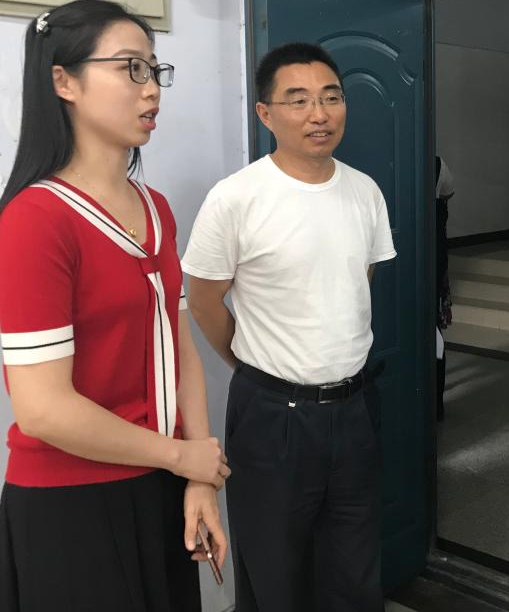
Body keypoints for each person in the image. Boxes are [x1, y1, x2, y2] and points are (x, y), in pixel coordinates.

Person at [0, 0, 230, 612]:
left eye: (155, 69)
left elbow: (179, 347)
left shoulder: (156, 209)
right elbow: (43, 409)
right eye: (130, 68)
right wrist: (183, 456)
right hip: (73, 502)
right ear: (63, 81)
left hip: (161, 481)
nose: (152, 89)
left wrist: (198, 475)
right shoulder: (36, 220)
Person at [182, 42, 396, 611]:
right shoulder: (236, 198)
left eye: (331, 98)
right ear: (265, 113)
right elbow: (203, 302)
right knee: (274, 575)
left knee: (354, 569)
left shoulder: (364, 191)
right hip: (272, 416)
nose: (318, 114)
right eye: (298, 101)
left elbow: (359, 281)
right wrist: (258, 368)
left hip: (355, 408)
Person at [435, 155, 455, 421]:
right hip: (435, 264)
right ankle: (435, 403)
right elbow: (448, 192)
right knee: (434, 335)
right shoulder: (438, 164)